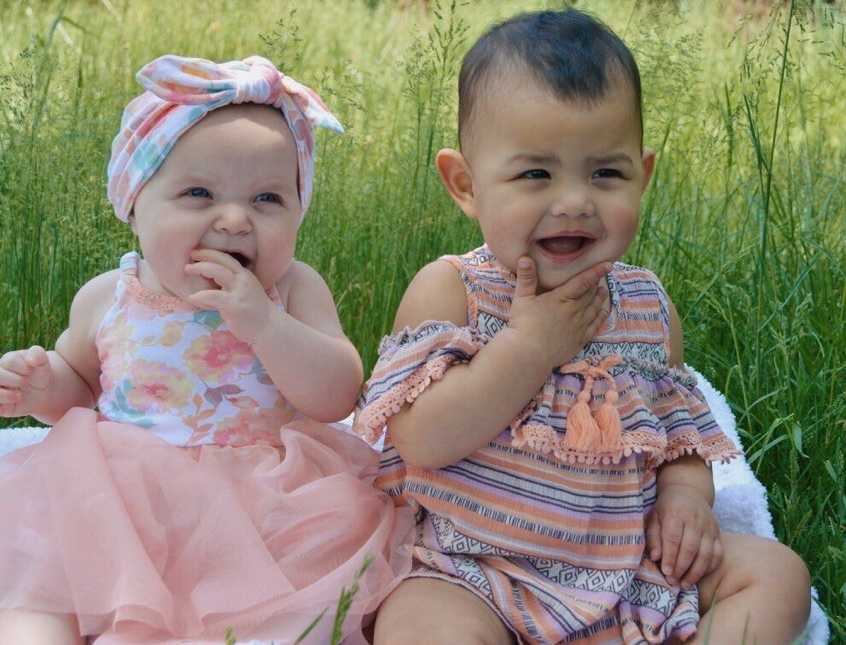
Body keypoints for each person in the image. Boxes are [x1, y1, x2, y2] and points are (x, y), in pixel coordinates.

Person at [355, 9, 810, 645]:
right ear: (465, 184)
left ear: (642, 177)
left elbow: (678, 434)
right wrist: (528, 347)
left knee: (778, 574)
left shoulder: (646, 306)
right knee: (416, 627)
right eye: (536, 174)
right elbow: (422, 439)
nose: (574, 200)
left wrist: (685, 501)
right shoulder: (454, 290)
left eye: (606, 173)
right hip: (475, 570)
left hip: (626, 569)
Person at [0, 54, 412, 645]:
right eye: (198, 193)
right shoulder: (109, 297)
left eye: (268, 199)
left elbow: (337, 394)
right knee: (45, 559)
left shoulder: (292, 288)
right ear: (135, 208)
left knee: (321, 545)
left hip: (260, 494)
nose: (235, 219)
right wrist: (44, 387)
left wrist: (266, 325)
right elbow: (82, 386)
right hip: (125, 493)